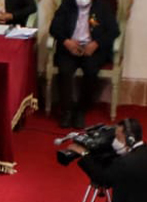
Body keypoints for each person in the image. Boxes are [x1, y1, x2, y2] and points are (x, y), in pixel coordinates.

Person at [50, 0, 119, 128]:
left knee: (91, 71)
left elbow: (114, 31)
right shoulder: (67, 4)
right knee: (64, 70)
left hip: (92, 50)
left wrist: (96, 43)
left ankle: (81, 110)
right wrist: (66, 42)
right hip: (70, 48)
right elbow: (54, 27)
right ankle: (67, 111)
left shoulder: (102, 6)